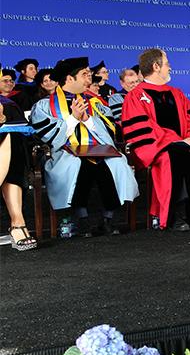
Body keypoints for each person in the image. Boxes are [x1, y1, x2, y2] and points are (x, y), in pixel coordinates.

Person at [121, 48, 190, 231]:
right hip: (159, 149)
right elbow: (143, 130)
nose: (170, 68)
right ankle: (176, 215)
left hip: (185, 144)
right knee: (175, 157)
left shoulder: (176, 93)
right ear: (156, 66)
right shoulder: (136, 96)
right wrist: (175, 141)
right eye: (167, 63)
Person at [31, 57, 139, 237]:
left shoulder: (95, 103)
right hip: (65, 153)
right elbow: (47, 137)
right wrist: (73, 118)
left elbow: (111, 130)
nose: (89, 78)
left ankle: (108, 218)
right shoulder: (44, 106)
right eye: (85, 74)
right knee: (80, 165)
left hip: (99, 150)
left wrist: (88, 119)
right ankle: (80, 219)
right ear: (70, 78)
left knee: (116, 164)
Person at [0, 92, 36, 250]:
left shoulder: (7, 105)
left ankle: (18, 222)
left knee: (14, 139)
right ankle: (17, 226)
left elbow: (22, 130)